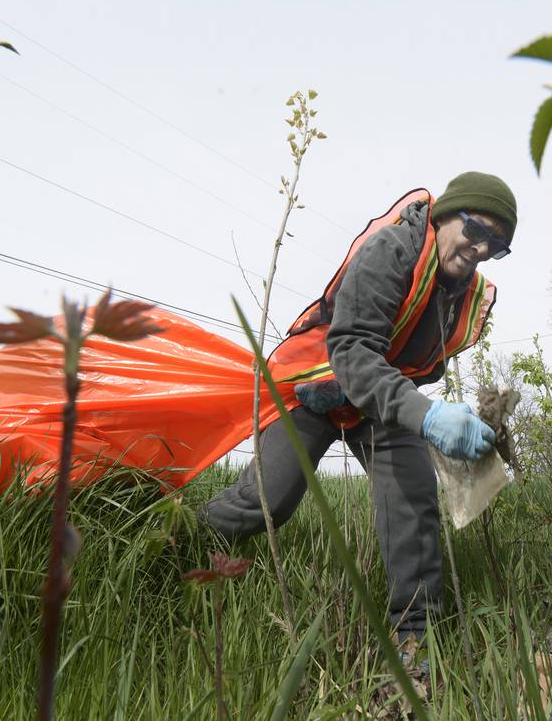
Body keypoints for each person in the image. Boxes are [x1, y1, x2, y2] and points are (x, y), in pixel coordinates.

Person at [200, 171, 517, 646]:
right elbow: (349, 349)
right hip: (317, 387)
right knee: (266, 501)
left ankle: (415, 641)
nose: (482, 249)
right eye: (476, 230)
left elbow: (421, 367)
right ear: (447, 216)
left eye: (498, 244)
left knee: (414, 503)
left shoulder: (462, 298)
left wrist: (446, 415)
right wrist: (427, 416)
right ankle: (180, 552)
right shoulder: (393, 250)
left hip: (377, 403)